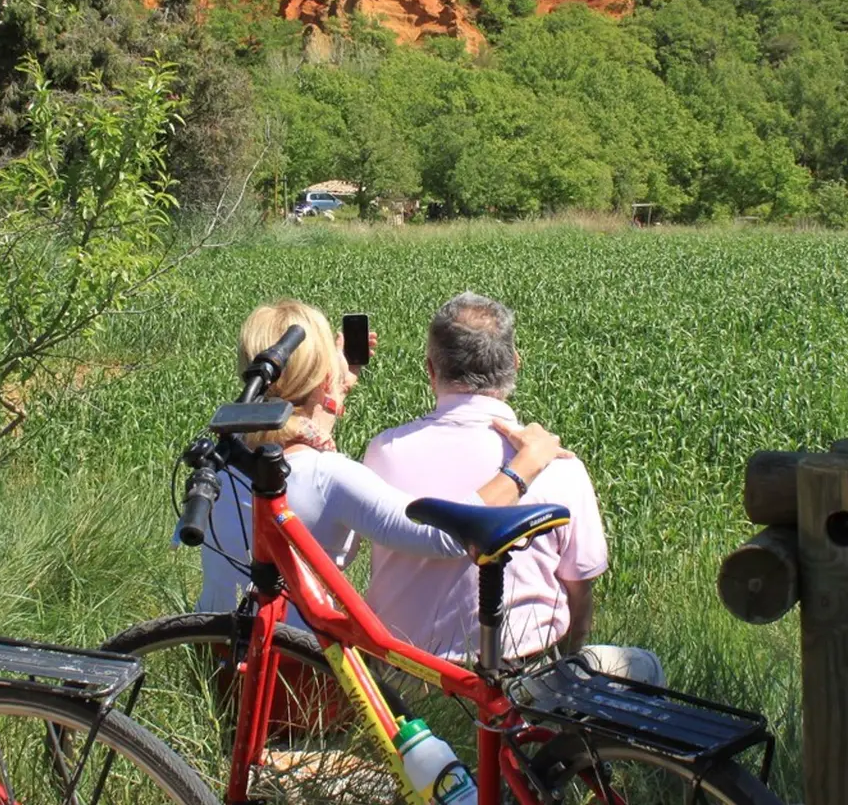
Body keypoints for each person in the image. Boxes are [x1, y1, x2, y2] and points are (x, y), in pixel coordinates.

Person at [196, 299, 572, 619]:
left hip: (219, 653)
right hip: (292, 671)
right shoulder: (328, 477)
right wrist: (527, 464)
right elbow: (443, 537)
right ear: (325, 376)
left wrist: (333, 389)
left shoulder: (221, 457)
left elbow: (296, 434)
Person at [362, 292, 663, 685]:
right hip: (521, 679)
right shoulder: (559, 466)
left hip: (404, 680)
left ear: (431, 370)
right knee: (644, 667)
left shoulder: (385, 451)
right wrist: (569, 656)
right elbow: (579, 590)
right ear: (514, 365)